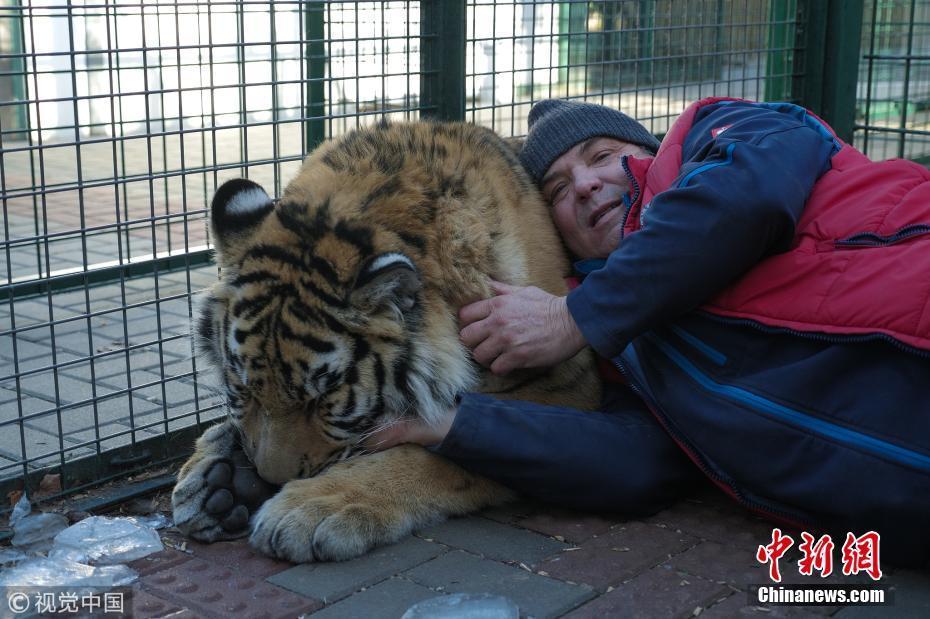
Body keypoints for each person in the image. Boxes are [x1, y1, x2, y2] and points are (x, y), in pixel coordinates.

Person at [368, 97, 930, 567]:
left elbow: (747, 198)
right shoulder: (620, 345)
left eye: (605, 157)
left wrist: (576, 317)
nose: (586, 185)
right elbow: (642, 466)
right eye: (558, 189)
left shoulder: (724, 131)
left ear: (653, 149)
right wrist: (451, 424)